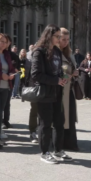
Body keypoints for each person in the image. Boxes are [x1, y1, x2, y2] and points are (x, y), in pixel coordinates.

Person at [31, 24, 72, 164]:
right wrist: (55, 80)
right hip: (45, 93)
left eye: (60, 36)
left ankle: (58, 150)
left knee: (59, 123)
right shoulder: (39, 52)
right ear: (49, 36)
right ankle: (44, 152)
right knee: (45, 124)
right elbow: (36, 75)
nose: (59, 39)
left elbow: (58, 70)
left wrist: (63, 76)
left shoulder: (57, 51)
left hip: (57, 92)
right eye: (57, 36)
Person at [60, 28, 79, 151]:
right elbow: (57, 72)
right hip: (59, 90)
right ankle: (61, 143)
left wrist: (75, 72)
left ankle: (70, 143)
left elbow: (72, 68)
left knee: (70, 116)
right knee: (62, 117)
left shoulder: (69, 53)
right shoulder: (54, 53)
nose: (66, 42)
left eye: (67, 39)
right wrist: (70, 75)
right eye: (63, 39)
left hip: (69, 89)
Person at [2, 35, 19, 131]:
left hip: (10, 81)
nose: (5, 43)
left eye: (7, 41)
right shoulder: (0, 53)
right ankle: (0, 121)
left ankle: (6, 120)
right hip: (0, 81)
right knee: (1, 103)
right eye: (3, 41)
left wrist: (16, 69)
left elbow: (18, 66)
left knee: (7, 102)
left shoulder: (12, 55)